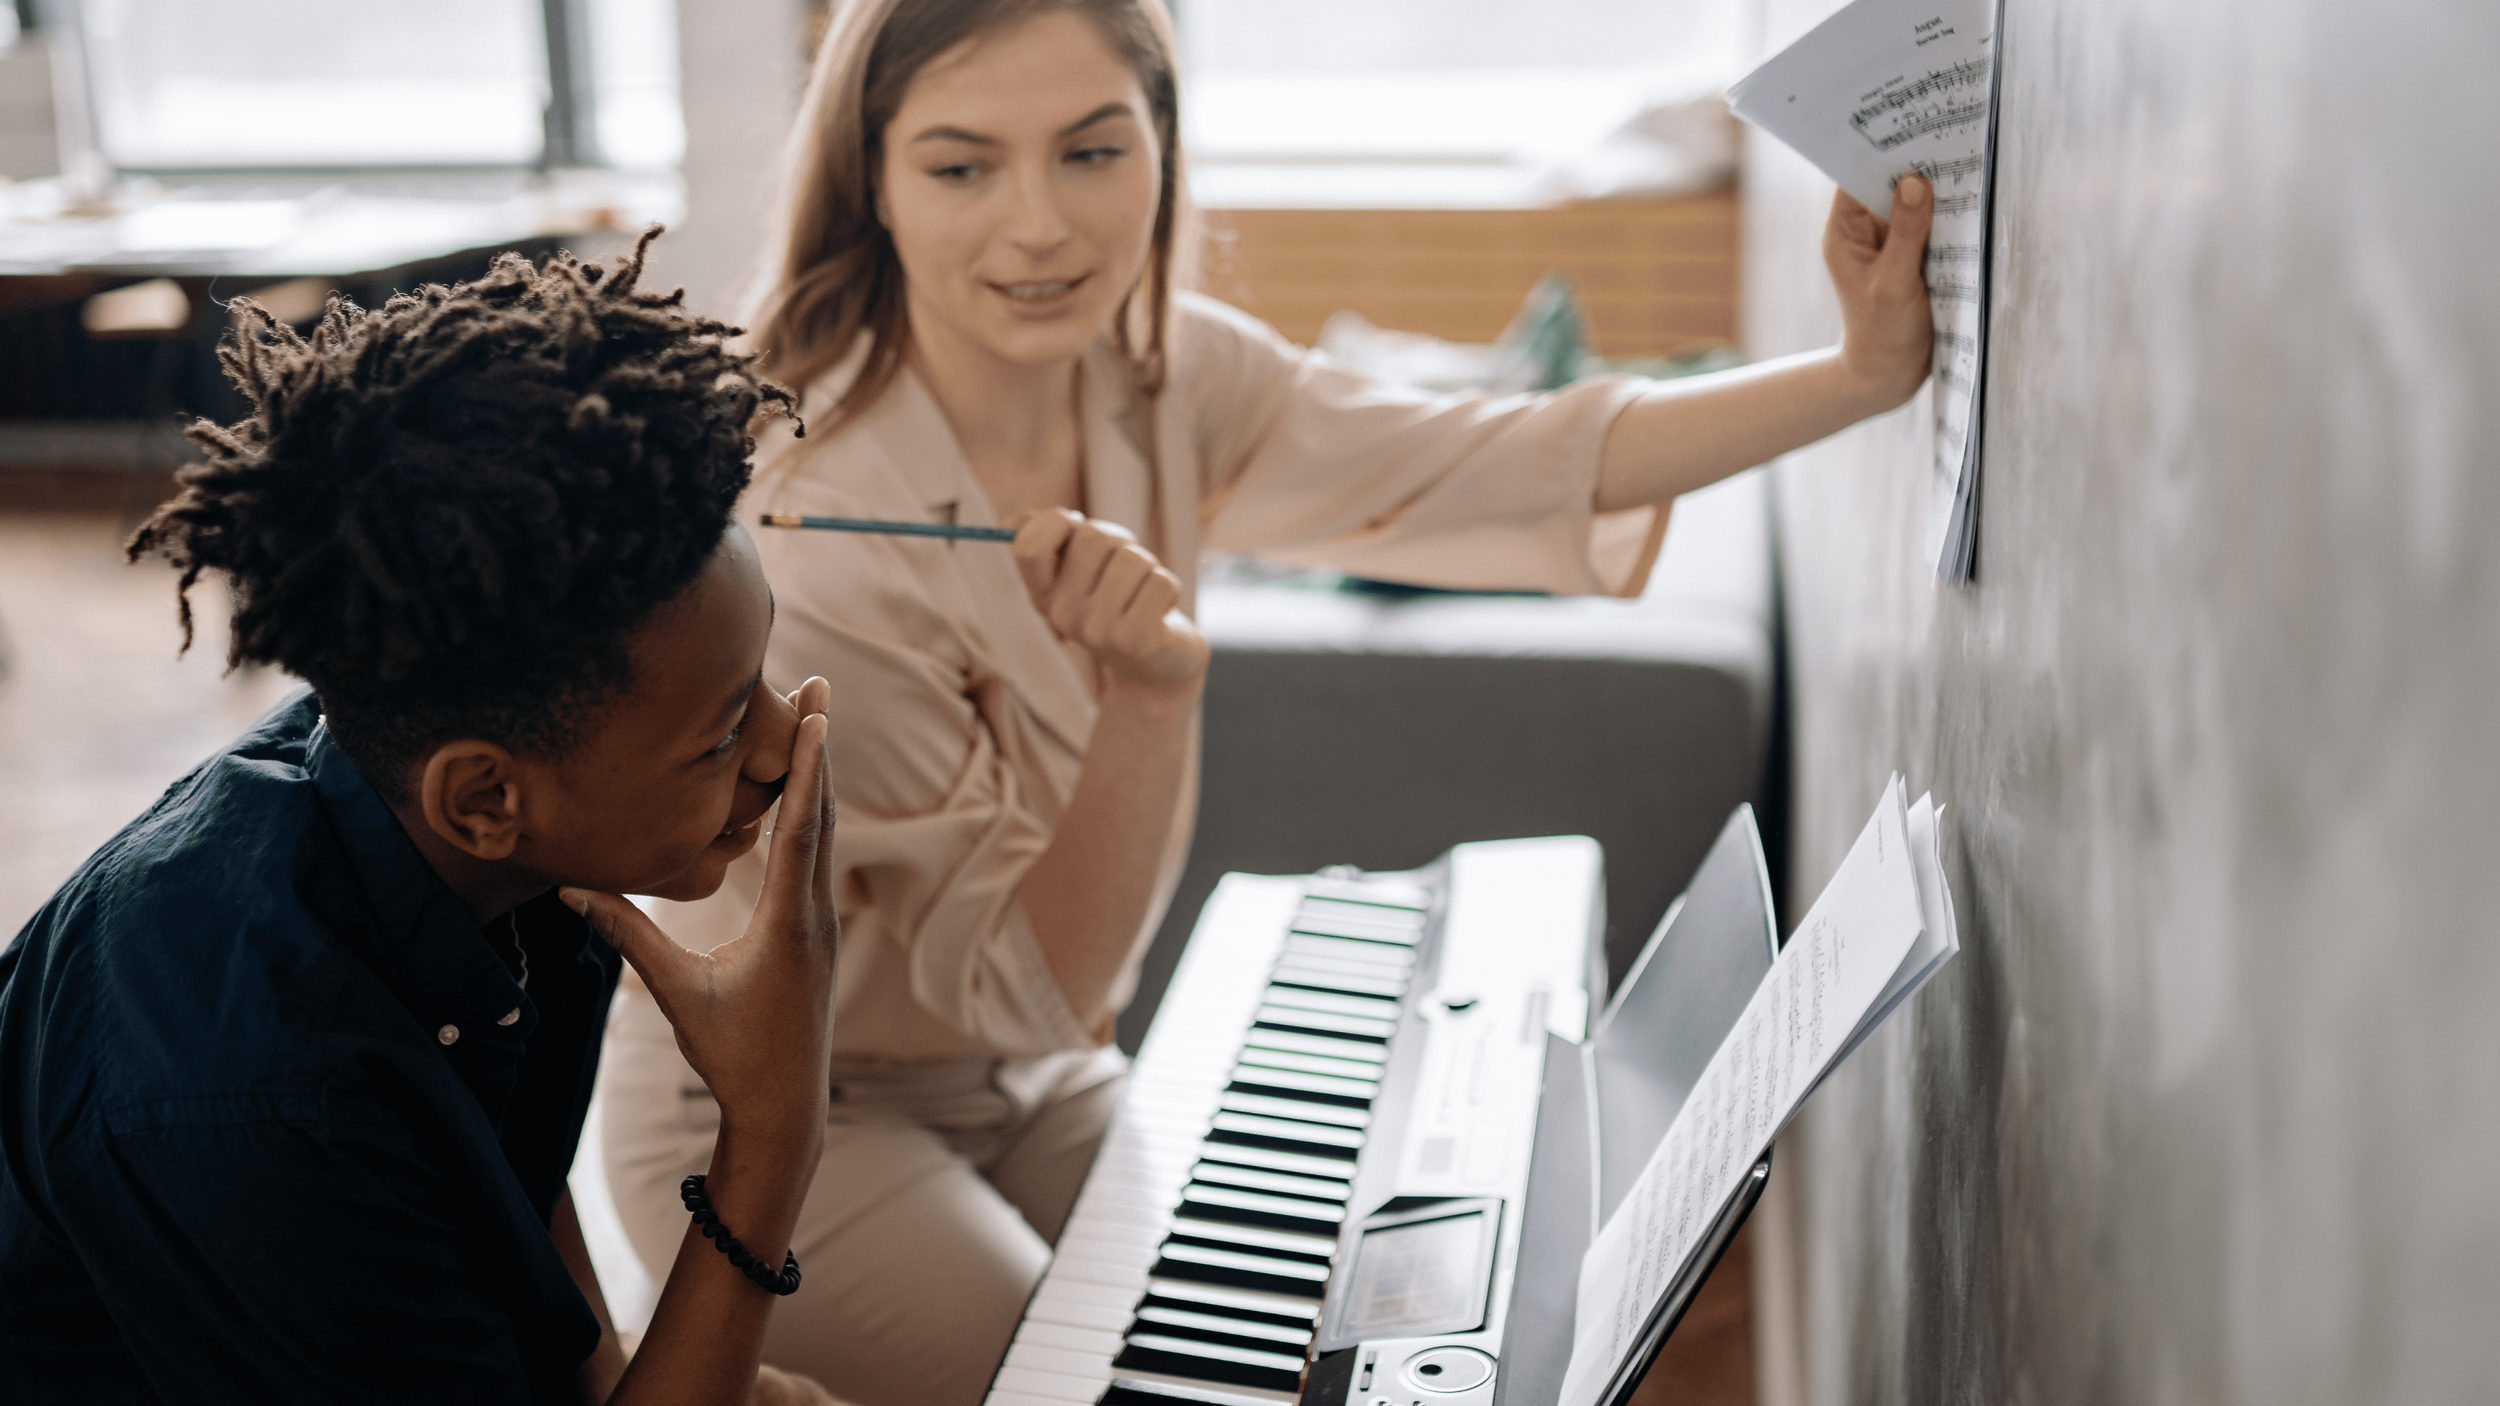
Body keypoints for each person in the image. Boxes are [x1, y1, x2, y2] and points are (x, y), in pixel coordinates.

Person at [598, 2, 1938, 1402]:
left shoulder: (1169, 372)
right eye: (960, 166)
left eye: (1092, 151)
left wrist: (1858, 377)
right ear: (871, 177)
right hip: (780, 1110)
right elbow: (1036, 984)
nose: (1042, 226)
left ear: (1162, 150)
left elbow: (1494, 460)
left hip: (1016, 1082)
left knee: (1331, 1326)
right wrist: (1153, 693)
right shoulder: (818, 522)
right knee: (1151, 1392)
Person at [0, 235, 849, 1405]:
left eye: (756, 678)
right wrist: (771, 1131)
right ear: (486, 799)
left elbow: (517, 1232)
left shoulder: (483, 829)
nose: (777, 747)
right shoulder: (265, 1106)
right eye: (715, 735)